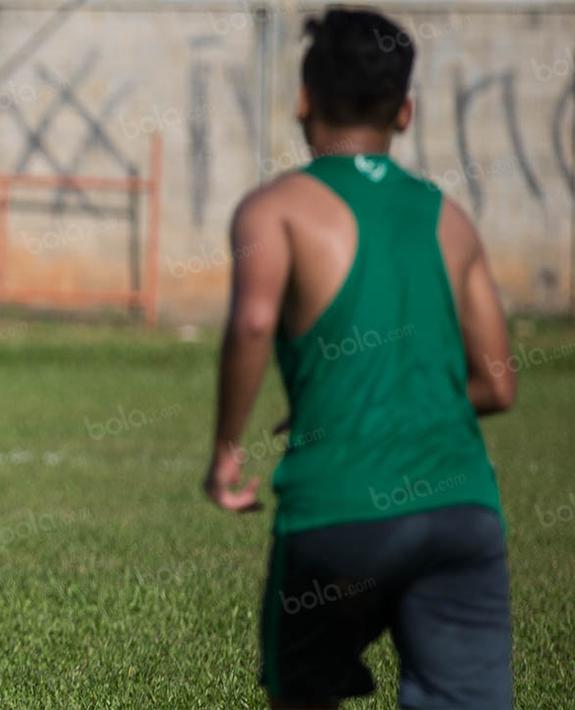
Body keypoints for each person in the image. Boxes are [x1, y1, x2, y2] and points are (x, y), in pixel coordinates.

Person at [202, 9, 515, 709]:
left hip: (337, 516)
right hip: (460, 514)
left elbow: (253, 322)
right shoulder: (450, 219)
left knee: (304, 693)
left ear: (303, 100)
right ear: (404, 111)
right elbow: (497, 385)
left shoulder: (274, 209)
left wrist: (226, 449)